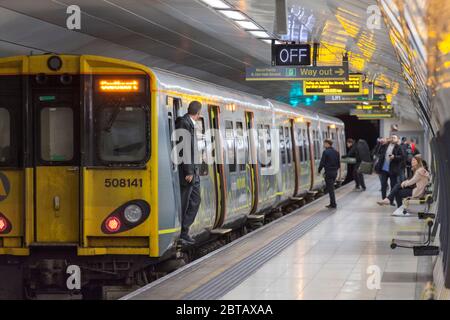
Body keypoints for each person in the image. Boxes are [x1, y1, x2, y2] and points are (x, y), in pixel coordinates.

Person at [175, 101, 202, 245]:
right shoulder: (183, 123)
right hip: (188, 172)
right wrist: (189, 171)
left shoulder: (189, 123)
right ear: (198, 114)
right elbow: (184, 148)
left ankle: (184, 230)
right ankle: (182, 232)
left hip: (194, 171)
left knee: (195, 200)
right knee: (186, 202)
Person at [375, 135, 403, 205]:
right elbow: (377, 152)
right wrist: (380, 143)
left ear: (397, 139)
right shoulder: (385, 146)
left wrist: (394, 157)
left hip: (393, 170)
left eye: (394, 138)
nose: (393, 139)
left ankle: (391, 200)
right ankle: (384, 200)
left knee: (393, 185)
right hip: (384, 169)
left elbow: (402, 157)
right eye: (392, 137)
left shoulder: (398, 147)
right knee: (383, 185)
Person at [318, 139, 340, 209]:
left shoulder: (325, 152)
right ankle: (332, 203)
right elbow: (338, 164)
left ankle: (333, 204)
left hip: (328, 173)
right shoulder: (336, 152)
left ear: (328, 144)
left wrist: (319, 170)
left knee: (331, 189)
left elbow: (322, 163)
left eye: (324, 144)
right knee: (331, 188)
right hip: (335, 172)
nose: (324, 145)